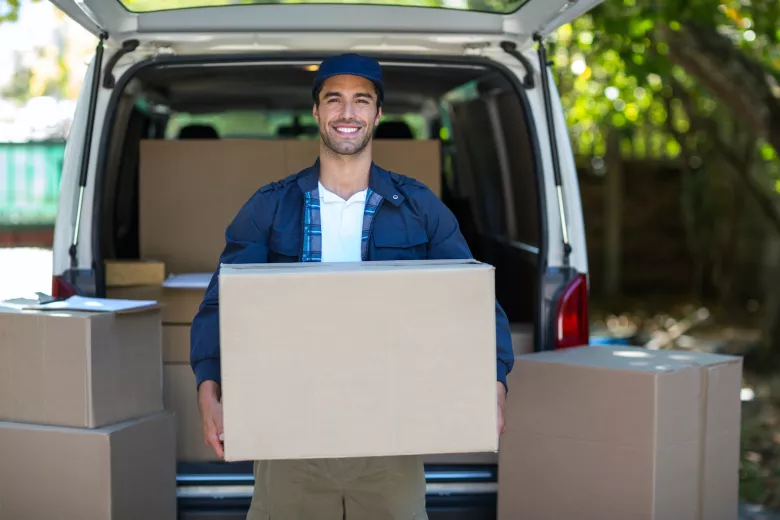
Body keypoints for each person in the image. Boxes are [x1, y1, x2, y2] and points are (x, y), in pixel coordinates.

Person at [190, 53, 514, 520]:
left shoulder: (419, 207)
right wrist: (208, 384)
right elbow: (221, 304)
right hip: (289, 434)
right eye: (334, 100)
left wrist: (494, 380)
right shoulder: (269, 207)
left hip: (391, 434)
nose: (348, 113)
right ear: (317, 111)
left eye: (361, 100)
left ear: (378, 113)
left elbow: (472, 300)